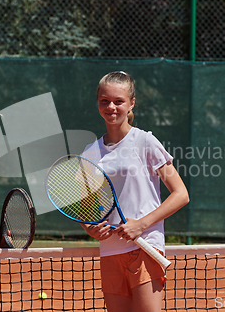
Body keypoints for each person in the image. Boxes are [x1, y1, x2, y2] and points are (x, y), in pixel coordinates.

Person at [80, 71, 189, 312]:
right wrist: (90, 229)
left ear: (131, 103)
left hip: (146, 246)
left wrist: (141, 224)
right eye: (104, 101)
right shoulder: (89, 153)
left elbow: (181, 194)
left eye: (119, 101)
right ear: (98, 102)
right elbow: (85, 209)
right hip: (110, 252)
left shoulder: (146, 142)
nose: (111, 107)